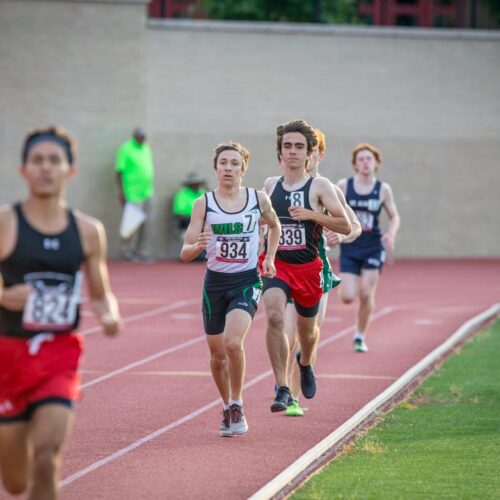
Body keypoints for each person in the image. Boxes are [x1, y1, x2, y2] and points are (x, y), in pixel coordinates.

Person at [0, 126, 122, 499]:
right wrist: (5, 296)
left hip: (59, 355)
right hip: (9, 356)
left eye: (55, 160)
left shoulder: (87, 231)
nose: (46, 168)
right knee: (16, 480)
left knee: (46, 458)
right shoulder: (5, 223)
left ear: (71, 170)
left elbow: (100, 293)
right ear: (23, 169)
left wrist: (109, 315)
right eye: (38, 160)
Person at [180, 142, 280, 436]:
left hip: (246, 281)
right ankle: (226, 406)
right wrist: (196, 246)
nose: (228, 168)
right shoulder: (203, 204)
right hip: (215, 284)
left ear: (243, 169)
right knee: (217, 355)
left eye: (234, 163)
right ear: (215, 168)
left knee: (233, 343)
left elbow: (274, 227)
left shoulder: (257, 199)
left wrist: (270, 257)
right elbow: (184, 251)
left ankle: (237, 403)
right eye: (223, 163)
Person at [261, 119, 352, 413]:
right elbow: (264, 223)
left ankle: (306, 363)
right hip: (278, 266)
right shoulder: (270, 185)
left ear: (309, 152)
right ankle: (283, 388)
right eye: (287, 146)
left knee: (307, 333)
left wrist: (313, 216)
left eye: (299, 146)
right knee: (274, 317)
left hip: (310, 269)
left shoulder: (320, 186)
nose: (292, 152)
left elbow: (346, 223)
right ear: (280, 152)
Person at [283, 128, 361, 416]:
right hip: (286, 267)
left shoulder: (328, 188)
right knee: (287, 335)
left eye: (311, 150)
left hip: (318, 270)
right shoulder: (282, 186)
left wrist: (341, 237)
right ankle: (290, 396)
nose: (305, 155)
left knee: (309, 333)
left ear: (319, 154)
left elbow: (354, 226)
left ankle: (305, 367)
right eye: (302, 149)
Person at [337, 143, 400, 353]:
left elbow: (394, 216)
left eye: (369, 159)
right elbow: (331, 210)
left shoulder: (383, 189)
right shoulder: (344, 186)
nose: (365, 162)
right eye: (361, 159)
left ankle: (359, 336)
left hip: (373, 246)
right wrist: (333, 231)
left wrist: (390, 234)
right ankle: (351, 285)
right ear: (355, 164)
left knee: (366, 292)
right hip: (350, 245)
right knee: (347, 296)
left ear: (376, 163)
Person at [115, 127, 155, 261]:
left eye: (144, 137)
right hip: (132, 193)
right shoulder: (126, 148)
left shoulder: (146, 148)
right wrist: (122, 193)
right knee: (131, 224)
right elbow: (119, 171)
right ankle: (125, 251)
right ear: (135, 136)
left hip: (147, 192)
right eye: (141, 136)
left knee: (146, 225)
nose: (143, 139)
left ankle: (141, 251)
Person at [172, 172, 208, 236]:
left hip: (203, 223)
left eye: (198, 183)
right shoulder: (182, 194)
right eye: (195, 183)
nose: (197, 185)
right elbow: (179, 212)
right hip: (188, 223)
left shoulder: (202, 192)